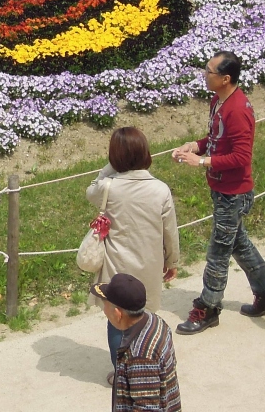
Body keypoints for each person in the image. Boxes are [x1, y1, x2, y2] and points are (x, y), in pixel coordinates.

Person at [172, 50, 265, 334]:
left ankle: (208, 308)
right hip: (221, 188)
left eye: (209, 71)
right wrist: (194, 146)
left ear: (225, 78)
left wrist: (202, 161)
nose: (204, 75)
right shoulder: (218, 101)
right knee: (239, 244)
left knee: (218, 252)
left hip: (233, 194)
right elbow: (215, 138)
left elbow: (241, 157)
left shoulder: (238, 110)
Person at [88, 127, 180, 383]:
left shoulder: (109, 187)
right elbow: (170, 231)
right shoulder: (161, 189)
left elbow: (90, 191)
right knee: (146, 316)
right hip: (150, 264)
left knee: (117, 319)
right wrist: (172, 261)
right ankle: (147, 367)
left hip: (117, 266)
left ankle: (123, 373)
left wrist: (110, 166)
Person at [93, 273, 182, 412]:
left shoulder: (140, 356)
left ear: (118, 314)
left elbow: (146, 408)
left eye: (105, 305)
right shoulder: (154, 320)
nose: (103, 310)